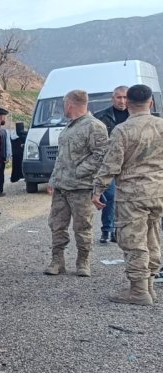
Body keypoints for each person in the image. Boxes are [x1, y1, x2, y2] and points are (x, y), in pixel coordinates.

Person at [92, 84, 163, 305]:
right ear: (151, 103)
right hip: (158, 193)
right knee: (152, 237)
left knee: (134, 241)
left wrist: (98, 190)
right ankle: (149, 286)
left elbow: (111, 165)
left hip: (133, 195)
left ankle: (139, 291)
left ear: (128, 104)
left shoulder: (122, 130)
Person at [43, 90, 109, 277]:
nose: (64, 107)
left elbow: (101, 155)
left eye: (64, 104)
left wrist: (77, 171)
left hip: (81, 187)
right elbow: (61, 158)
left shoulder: (95, 126)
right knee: (56, 225)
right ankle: (57, 261)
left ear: (69, 104)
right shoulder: (68, 127)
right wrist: (54, 179)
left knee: (83, 227)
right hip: (62, 188)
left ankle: (83, 262)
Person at [94, 85, 129, 244]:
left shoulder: (135, 116)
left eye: (125, 97)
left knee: (127, 199)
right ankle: (107, 230)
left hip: (129, 165)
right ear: (112, 98)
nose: (122, 101)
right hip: (108, 164)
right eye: (119, 97)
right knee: (110, 196)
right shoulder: (100, 117)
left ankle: (119, 230)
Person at [0, 122, 12, 197]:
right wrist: (8, 156)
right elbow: (8, 145)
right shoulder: (4, 132)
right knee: (0, 174)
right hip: (1, 157)